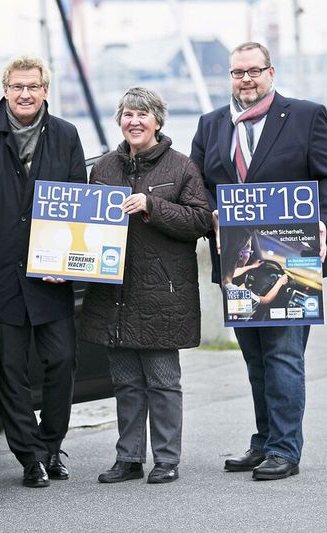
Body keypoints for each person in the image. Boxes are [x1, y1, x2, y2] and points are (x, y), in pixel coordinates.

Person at [190, 42, 327, 480]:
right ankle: (263, 442)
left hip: (294, 258)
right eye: (237, 72)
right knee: (255, 359)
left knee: (283, 356)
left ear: (270, 72)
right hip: (238, 262)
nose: (246, 79)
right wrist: (211, 213)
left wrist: (325, 225)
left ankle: (284, 449)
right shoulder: (211, 124)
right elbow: (197, 185)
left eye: (254, 71)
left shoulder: (304, 115)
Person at [0, 55, 87, 488]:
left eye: (33, 86)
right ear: (5, 89)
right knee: (11, 370)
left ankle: (51, 446)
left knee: (62, 361)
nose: (25, 94)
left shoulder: (66, 134)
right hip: (1, 271)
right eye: (16, 87)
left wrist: (71, 264)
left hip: (51, 270)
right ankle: (30, 458)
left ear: (46, 89)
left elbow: (78, 202)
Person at [80, 87, 212, 484]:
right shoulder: (103, 167)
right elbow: (84, 225)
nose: (134, 122)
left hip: (163, 295)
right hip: (113, 293)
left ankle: (167, 459)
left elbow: (201, 220)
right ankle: (129, 458)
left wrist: (152, 206)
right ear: (119, 120)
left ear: (158, 121)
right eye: (127, 115)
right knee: (125, 382)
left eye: (142, 115)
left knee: (163, 382)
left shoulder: (181, 167)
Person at [220, 227, 288, 321]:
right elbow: (266, 299)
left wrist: (252, 266)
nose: (250, 253)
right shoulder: (235, 293)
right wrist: (280, 282)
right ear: (241, 254)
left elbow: (233, 273)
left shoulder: (222, 279)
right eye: (249, 250)